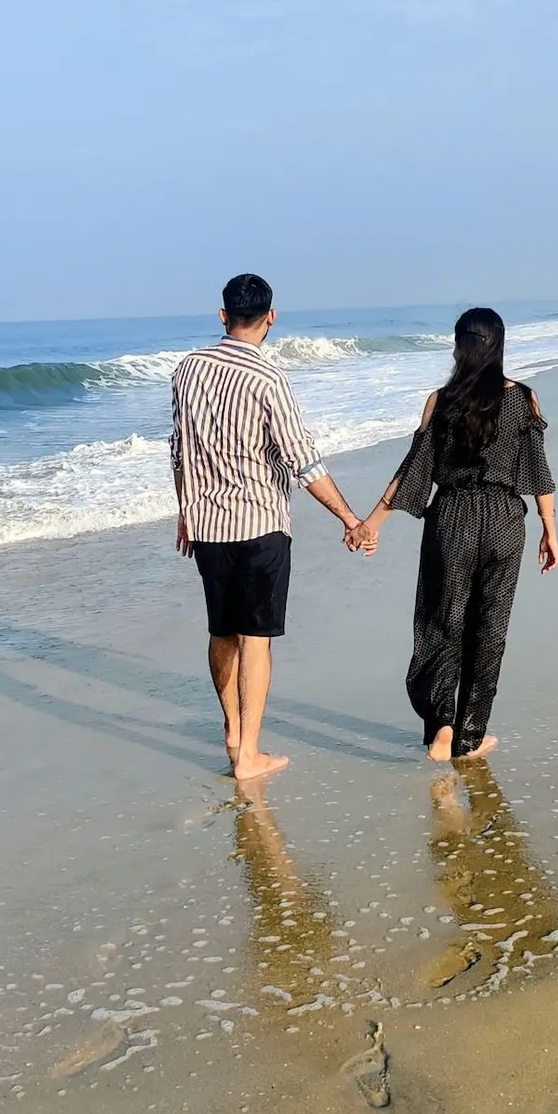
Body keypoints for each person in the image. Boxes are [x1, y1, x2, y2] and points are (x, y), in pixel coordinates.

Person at [170, 273, 375, 782]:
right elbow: (302, 460)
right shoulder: (268, 378)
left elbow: (179, 449)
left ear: (222, 315)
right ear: (271, 317)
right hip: (260, 524)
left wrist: (185, 510)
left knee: (222, 631)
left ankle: (233, 732)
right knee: (256, 639)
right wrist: (350, 519)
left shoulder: (186, 370)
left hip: (208, 527)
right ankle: (248, 757)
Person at [347, 307, 558, 761]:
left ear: (458, 346)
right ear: (500, 346)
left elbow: (414, 471)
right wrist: (550, 529)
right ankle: (471, 736)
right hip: (504, 519)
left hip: (452, 517)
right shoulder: (524, 399)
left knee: (442, 622)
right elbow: (538, 470)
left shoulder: (440, 401)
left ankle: (442, 727)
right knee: (490, 629)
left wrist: (371, 523)